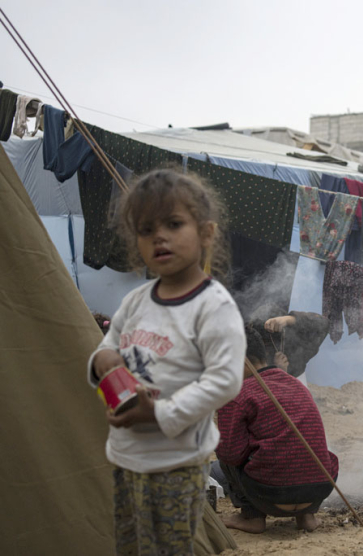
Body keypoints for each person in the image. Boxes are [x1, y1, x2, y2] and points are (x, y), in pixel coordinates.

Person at [87, 168, 245, 554]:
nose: (159, 236)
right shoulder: (136, 301)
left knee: (170, 547)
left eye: (174, 224)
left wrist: (158, 413)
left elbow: (225, 380)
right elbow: (108, 346)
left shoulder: (212, 306)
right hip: (126, 456)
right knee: (131, 544)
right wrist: (101, 361)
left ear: (206, 233)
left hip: (177, 461)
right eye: (145, 230)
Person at [213, 326, 338, 534]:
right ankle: (306, 517)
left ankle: (251, 517)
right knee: (308, 453)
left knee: (224, 451)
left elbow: (231, 455)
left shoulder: (238, 394)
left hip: (271, 496)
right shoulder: (297, 385)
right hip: (317, 491)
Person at [255, 309, 329, 379]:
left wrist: (290, 319)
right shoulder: (257, 354)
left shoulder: (296, 344)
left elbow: (324, 324)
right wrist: (279, 371)